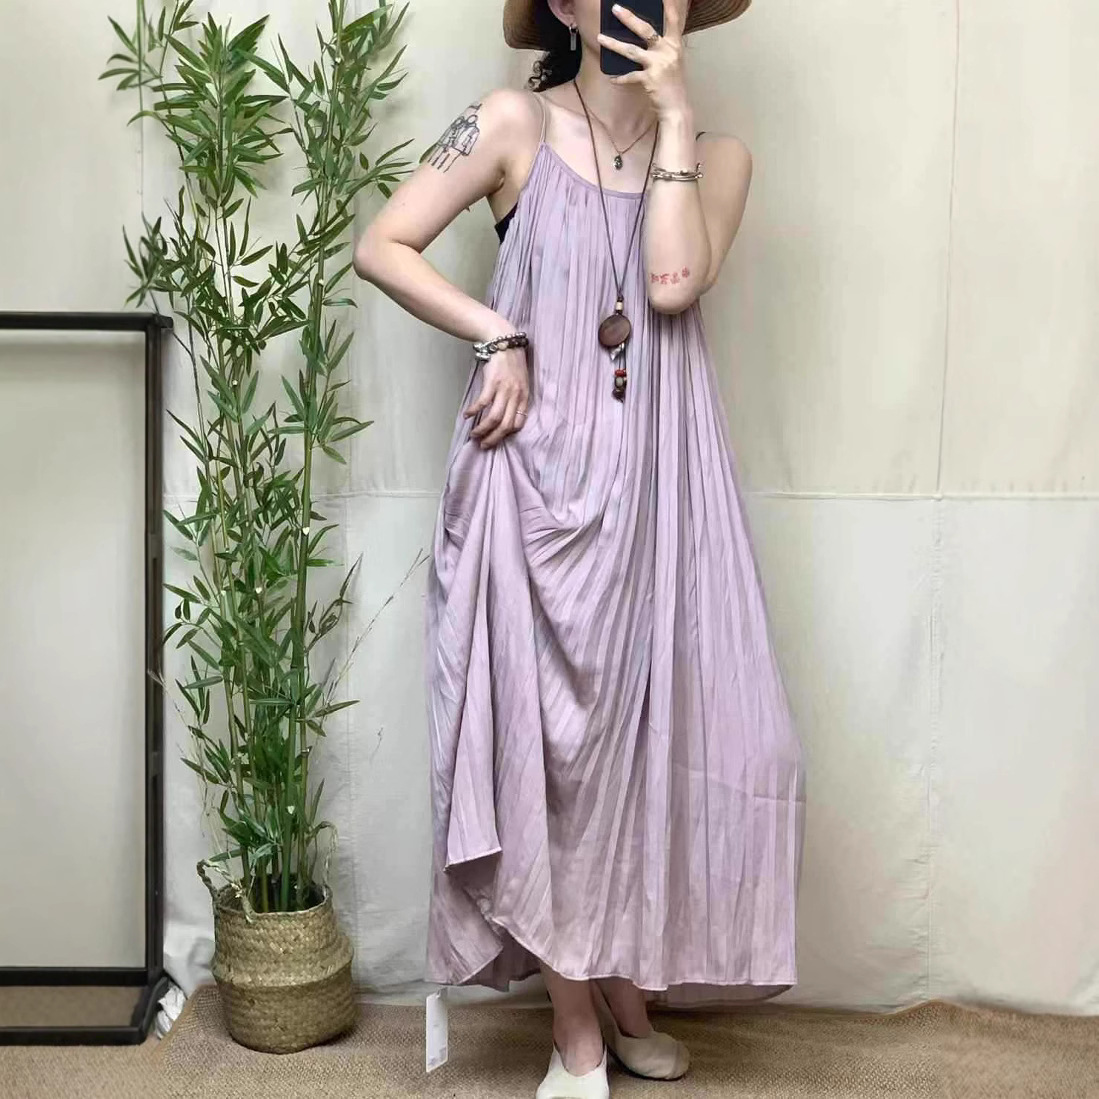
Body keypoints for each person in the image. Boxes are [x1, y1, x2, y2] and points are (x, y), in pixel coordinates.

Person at [353, 1, 806, 1095]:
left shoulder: (719, 157)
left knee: (659, 748)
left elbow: (669, 286)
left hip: (660, 488)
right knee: (549, 756)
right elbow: (380, 246)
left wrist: (675, 115)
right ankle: (576, 1026)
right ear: (564, 4)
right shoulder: (511, 123)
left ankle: (623, 988)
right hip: (529, 485)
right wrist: (497, 331)